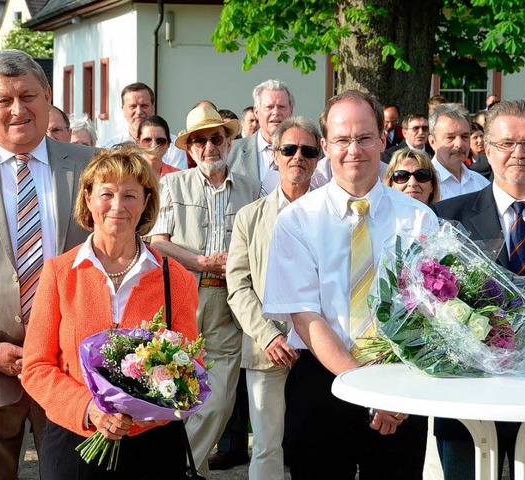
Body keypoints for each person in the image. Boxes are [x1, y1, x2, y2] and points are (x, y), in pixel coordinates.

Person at [262, 90, 438, 480]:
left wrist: (391, 393)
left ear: (382, 141)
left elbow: (430, 315)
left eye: (364, 138)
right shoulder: (297, 221)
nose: (353, 149)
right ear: (325, 146)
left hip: (399, 383)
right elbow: (306, 316)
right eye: (342, 139)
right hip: (323, 380)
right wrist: (366, 389)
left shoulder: (419, 219)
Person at [0, 49, 95, 479]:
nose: (17, 109)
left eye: (28, 95)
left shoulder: (90, 167)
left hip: (72, 371)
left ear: (47, 96)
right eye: (3, 100)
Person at [21, 147, 199, 479]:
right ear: (88, 198)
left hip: (153, 445)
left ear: (146, 202)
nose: (117, 206)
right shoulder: (59, 273)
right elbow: (36, 367)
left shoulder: (176, 278)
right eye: (107, 194)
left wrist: (145, 412)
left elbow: (189, 369)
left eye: (130, 195)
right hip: (76, 440)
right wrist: (89, 409)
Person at [432, 99, 525, 480]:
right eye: (506, 143)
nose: (518, 154)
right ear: (487, 147)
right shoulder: (448, 219)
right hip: (470, 398)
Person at [149, 105, 261, 478]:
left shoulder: (251, 188)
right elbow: (157, 242)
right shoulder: (171, 184)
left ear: (229, 141)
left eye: (216, 137)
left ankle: (179, 467)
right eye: (200, 140)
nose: (209, 146)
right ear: (189, 148)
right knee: (178, 394)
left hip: (230, 301)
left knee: (218, 402)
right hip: (183, 298)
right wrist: (199, 262)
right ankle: (188, 469)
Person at [227, 116, 319, 480]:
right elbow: (237, 284)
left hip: (320, 349)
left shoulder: (332, 213)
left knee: (315, 442)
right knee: (266, 445)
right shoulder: (249, 217)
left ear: (318, 157)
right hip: (268, 348)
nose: (298, 157)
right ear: (275, 157)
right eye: (289, 149)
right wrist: (268, 336)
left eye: (308, 150)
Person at [100, 82, 187, 169]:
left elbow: (178, 180)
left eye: (144, 106)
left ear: (153, 107)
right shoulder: (109, 148)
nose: (139, 112)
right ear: (123, 110)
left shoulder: (174, 146)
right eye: (133, 106)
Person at [228, 79, 295, 194]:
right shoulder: (231, 151)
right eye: (269, 107)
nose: (276, 112)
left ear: (291, 111)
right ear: (257, 112)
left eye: (282, 107)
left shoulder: (308, 152)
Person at [429, 103, 489, 200]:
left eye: (465, 136)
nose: (459, 144)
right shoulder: (421, 185)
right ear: (432, 142)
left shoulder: (482, 184)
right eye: (450, 137)